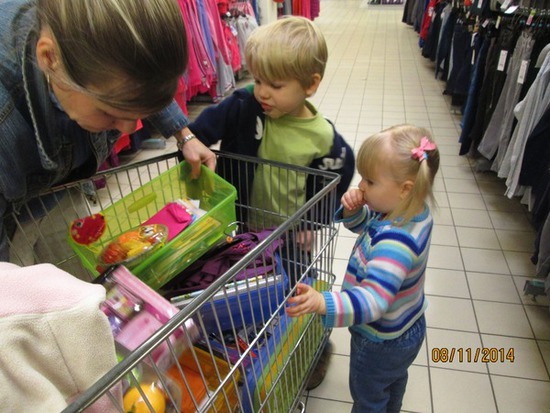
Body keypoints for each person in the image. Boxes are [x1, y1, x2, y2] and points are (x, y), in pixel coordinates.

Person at [185, 15, 355, 390]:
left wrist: (315, 220)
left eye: (276, 85)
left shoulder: (323, 138)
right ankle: (242, 348)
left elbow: (337, 177)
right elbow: (203, 129)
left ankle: (314, 348)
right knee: (240, 290)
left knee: (298, 295)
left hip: (289, 236)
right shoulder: (243, 106)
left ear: (310, 85)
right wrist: (192, 139)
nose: (263, 92)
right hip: (239, 228)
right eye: (258, 79)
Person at [0, 0, 215, 263]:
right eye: (109, 112)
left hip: (64, 188)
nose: (127, 128)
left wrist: (184, 135)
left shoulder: (91, 38)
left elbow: (141, 79)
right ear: (50, 58)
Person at [286, 124, 440, 412]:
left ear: (405, 189)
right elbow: (368, 228)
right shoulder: (413, 212)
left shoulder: (395, 243)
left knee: (368, 395)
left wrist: (323, 302)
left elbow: (373, 301)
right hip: (407, 324)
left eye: (370, 181)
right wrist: (354, 212)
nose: (361, 186)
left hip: (380, 338)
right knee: (392, 381)